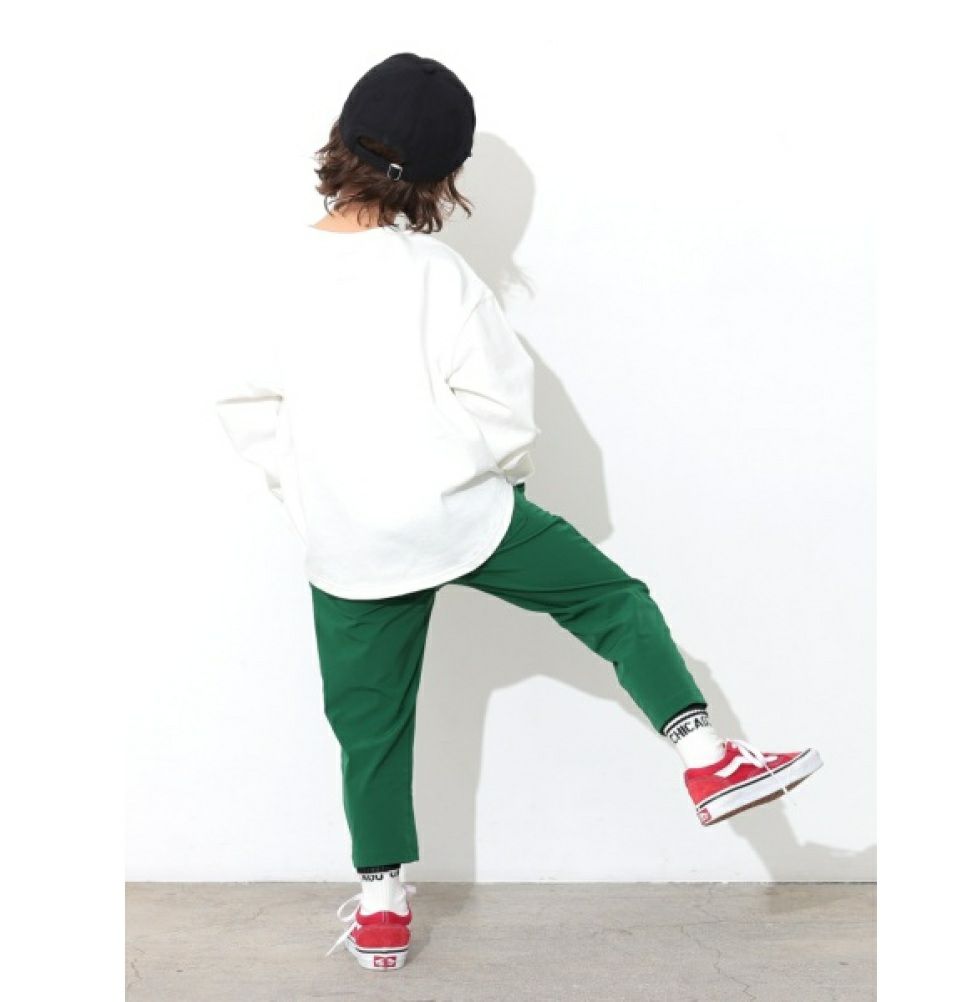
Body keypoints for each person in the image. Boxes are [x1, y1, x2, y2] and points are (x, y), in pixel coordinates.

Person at [215, 51, 823, 973]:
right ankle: (705, 755)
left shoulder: (275, 274)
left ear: (339, 139)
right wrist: (494, 492)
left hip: (349, 544)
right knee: (611, 601)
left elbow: (246, 407)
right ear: (441, 178)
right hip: (465, 516)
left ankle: (382, 911)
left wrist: (315, 499)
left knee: (370, 729)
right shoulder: (439, 276)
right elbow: (504, 409)